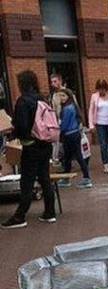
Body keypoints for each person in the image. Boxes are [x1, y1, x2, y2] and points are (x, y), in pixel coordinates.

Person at [1, 70, 57, 229]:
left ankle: (20, 216)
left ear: (22, 84)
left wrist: (12, 133)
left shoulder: (23, 101)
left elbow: (22, 126)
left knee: (27, 181)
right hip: (45, 144)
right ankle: (50, 212)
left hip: (30, 146)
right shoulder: (41, 99)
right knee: (44, 178)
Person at [57, 88, 93, 189]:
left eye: (63, 96)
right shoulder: (73, 106)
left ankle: (86, 178)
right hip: (74, 133)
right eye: (60, 96)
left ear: (68, 97)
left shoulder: (67, 109)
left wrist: (58, 130)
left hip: (69, 135)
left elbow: (64, 124)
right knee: (69, 157)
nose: (61, 98)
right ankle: (67, 178)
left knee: (76, 156)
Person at [88, 79, 108, 173]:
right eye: (99, 89)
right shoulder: (94, 97)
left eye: (103, 89)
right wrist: (91, 125)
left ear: (106, 88)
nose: (101, 91)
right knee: (103, 144)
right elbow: (91, 111)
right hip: (100, 123)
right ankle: (105, 164)